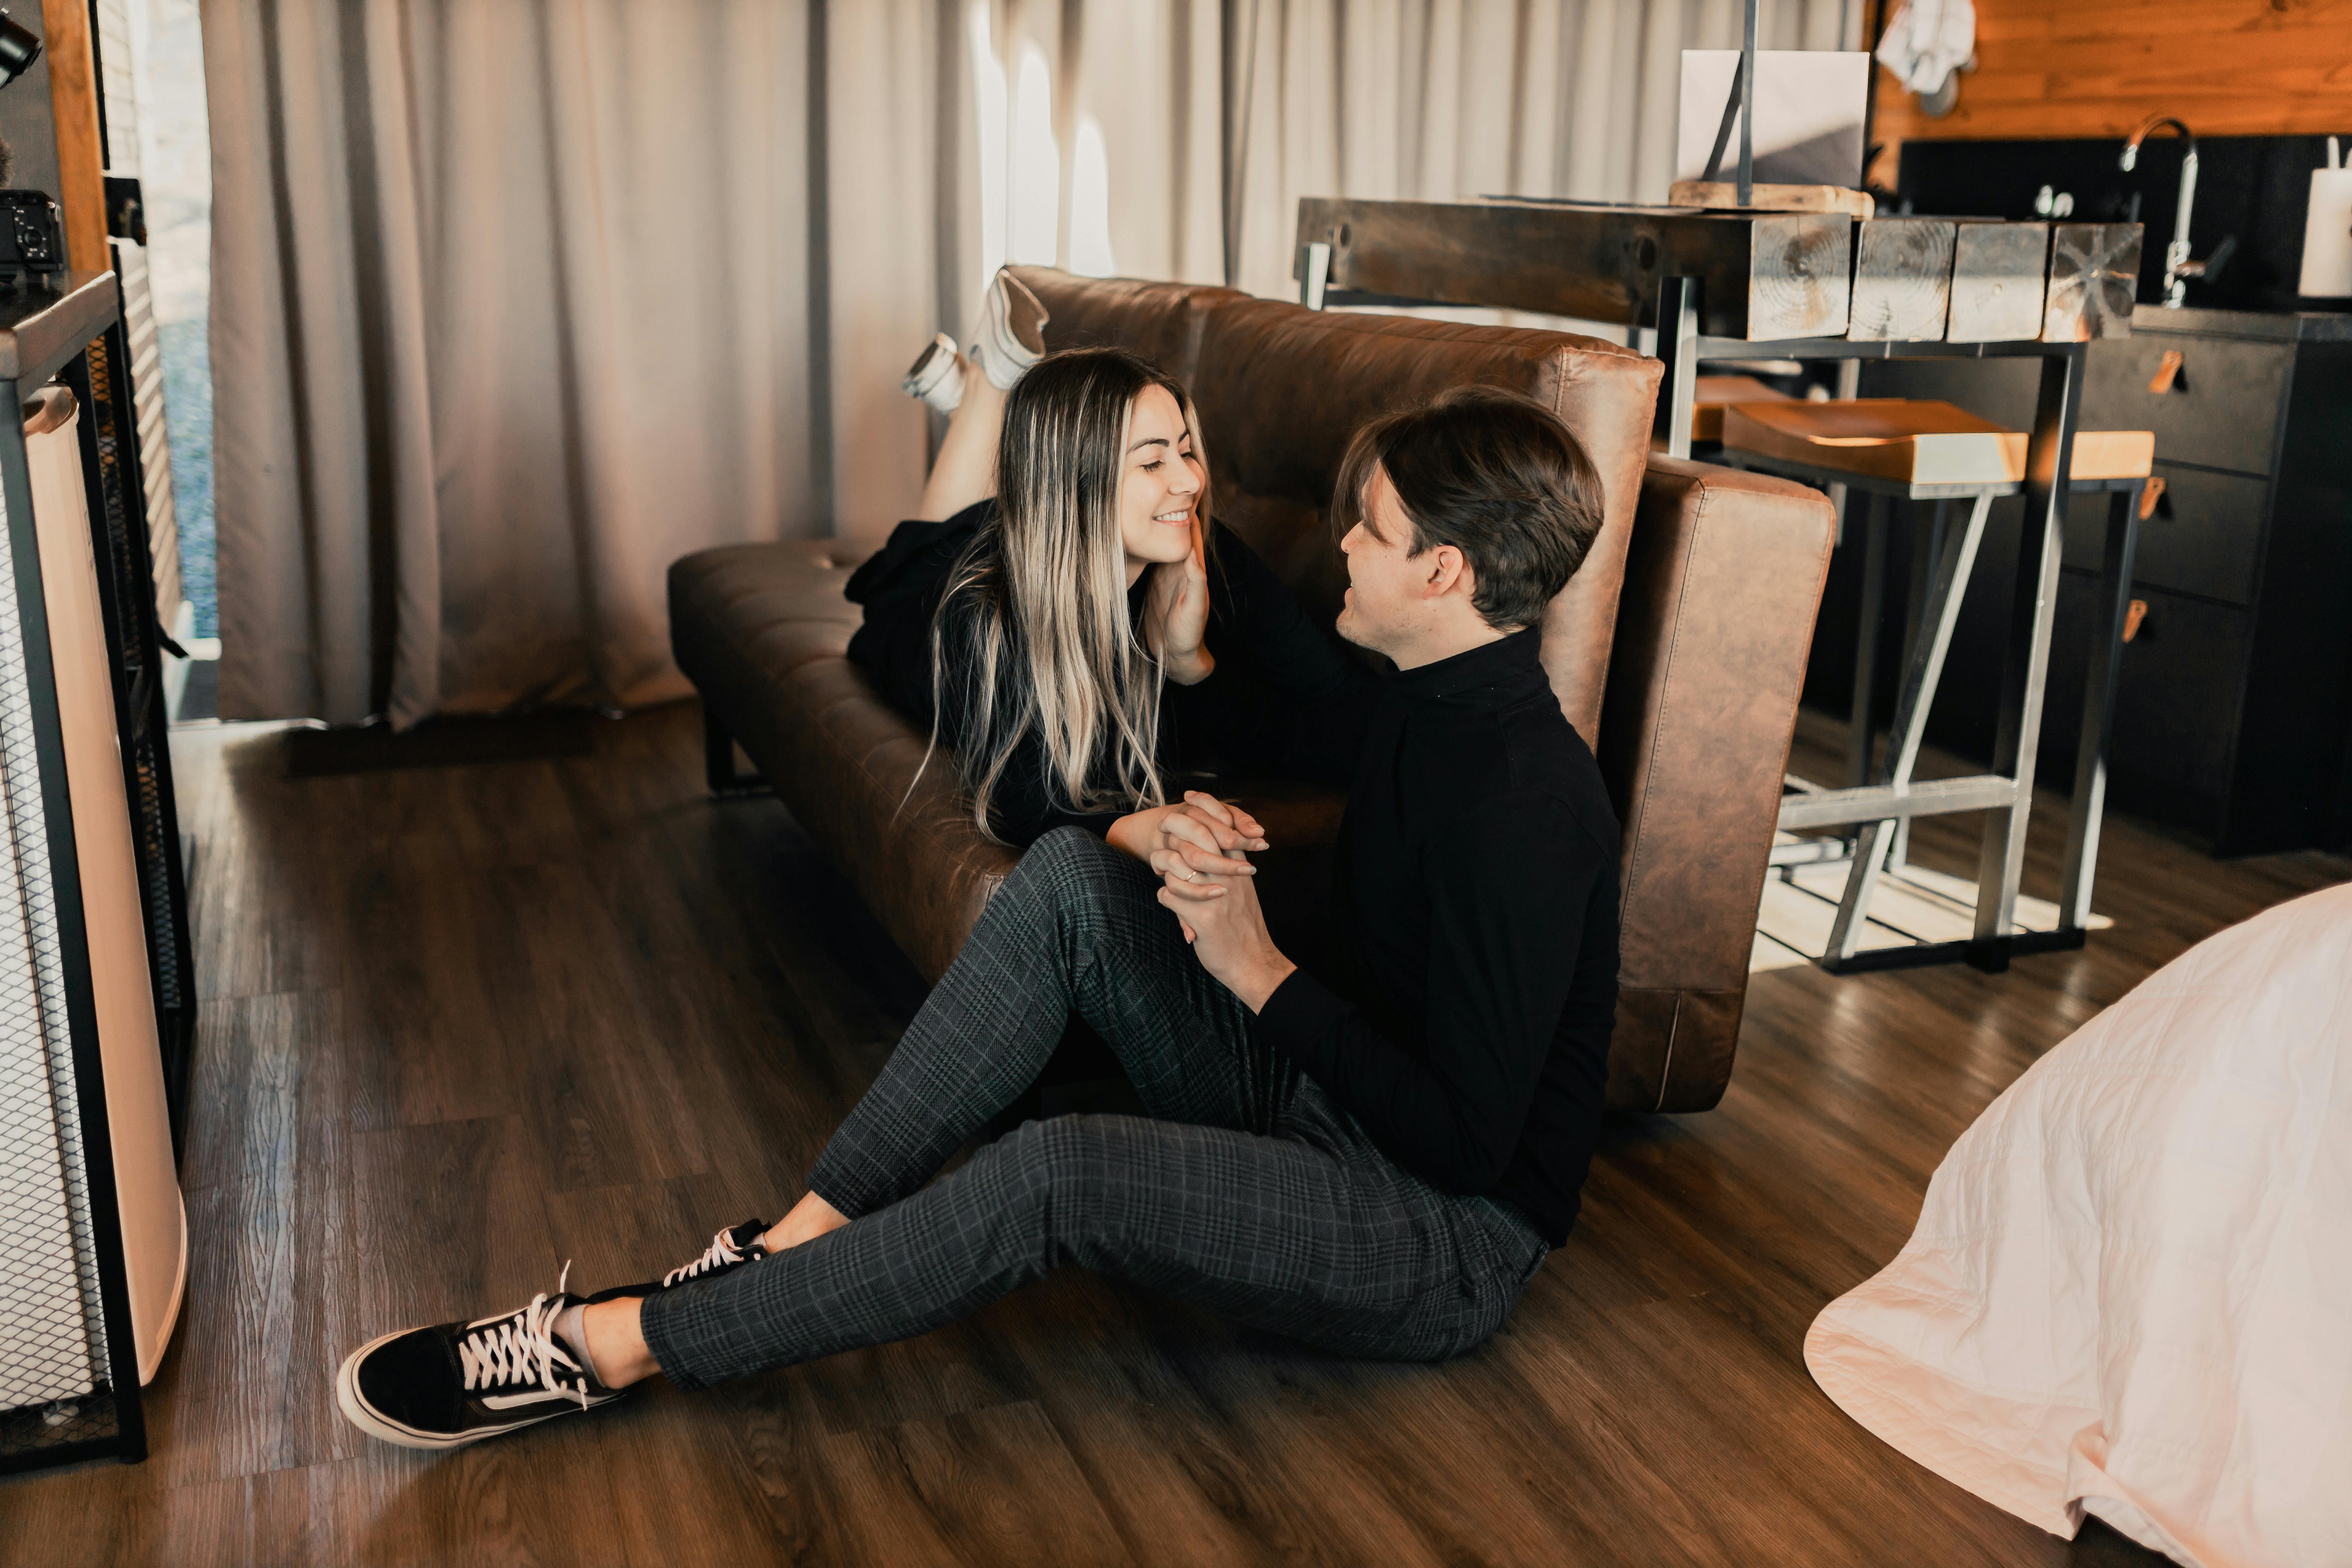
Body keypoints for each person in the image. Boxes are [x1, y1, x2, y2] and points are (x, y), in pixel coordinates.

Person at [334, 381, 1622, 1453]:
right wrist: (1206, 851)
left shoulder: (1528, 802)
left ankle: (613, 1345)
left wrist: (1260, 966)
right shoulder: (1421, 695)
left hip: (1440, 1235)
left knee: (1058, 1174)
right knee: (1071, 878)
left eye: (1371, 528)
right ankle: (783, 1245)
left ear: (1443, 571)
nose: (1340, 541)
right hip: (1320, 1105)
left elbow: (1466, 1144)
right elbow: (1337, 891)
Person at [848, 269, 1370, 847]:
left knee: (986, 515)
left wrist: (1191, 665)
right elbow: (1022, 800)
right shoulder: (988, 614)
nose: (1190, 481)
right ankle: (982, 396)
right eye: (1152, 463)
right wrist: (1140, 830)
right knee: (929, 545)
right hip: (924, 602)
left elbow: (1354, 721)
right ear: (1076, 487)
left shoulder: (1205, 553)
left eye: (1187, 451)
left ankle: (979, 397)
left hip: (1035, 523)